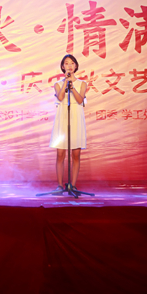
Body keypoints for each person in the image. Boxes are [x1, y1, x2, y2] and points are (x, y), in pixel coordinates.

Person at [49, 54, 87, 192]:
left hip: (76, 118)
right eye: (66, 63)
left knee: (75, 154)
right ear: (62, 66)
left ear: (75, 66)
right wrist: (66, 82)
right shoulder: (58, 84)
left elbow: (79, 100)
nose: (69, 65)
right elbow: (60, 97)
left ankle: (73, 185)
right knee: (60, 154)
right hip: (62, 118)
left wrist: (72, 86)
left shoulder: (82, 83)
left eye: (72, 63)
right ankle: (60, 185)